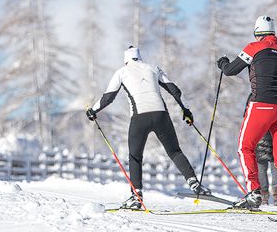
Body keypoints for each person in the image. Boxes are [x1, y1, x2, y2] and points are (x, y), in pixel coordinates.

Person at [86, 46, 209, 209]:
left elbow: (108, 97)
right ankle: (194, 183)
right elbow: (175, 90)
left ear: (126, 59)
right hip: (161, 115)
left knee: (135, 157)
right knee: (174, 151)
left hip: (139, 118)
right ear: (139, 58)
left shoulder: (121, 72)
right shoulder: (153, 68)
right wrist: (186, 110)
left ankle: (137, 196)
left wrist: (93, 111)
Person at [217, 15, 277, 216]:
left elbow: (231, 71)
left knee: (245, 147)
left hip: (262, 106)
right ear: (273, 33)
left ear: (257, 33)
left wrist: (223, 63)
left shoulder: (254, 48)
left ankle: (254, 193)